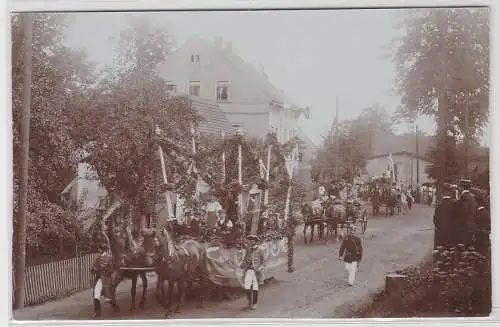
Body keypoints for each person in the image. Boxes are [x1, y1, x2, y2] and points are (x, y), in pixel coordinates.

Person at [241, 235, 266, 310]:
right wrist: (242, 265)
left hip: (256, 271)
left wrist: (260, 268)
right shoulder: (248, 250)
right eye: (249, 240)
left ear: (255, 241)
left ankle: (254, 303)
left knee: (255, 287)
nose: (250, 242)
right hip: (248, 270)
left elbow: (264, 262)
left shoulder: (260, 250)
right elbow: (245, 259)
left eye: (252, 240)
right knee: (247, 287)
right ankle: (249, 302)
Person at [433, 184, 457, 249]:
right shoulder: (454, 205)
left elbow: (435, 219)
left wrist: (439, 227)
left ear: (443, 193)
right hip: (451, 233)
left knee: (439, 250)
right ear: (450, 193)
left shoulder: (439, 205)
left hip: (440, 232)